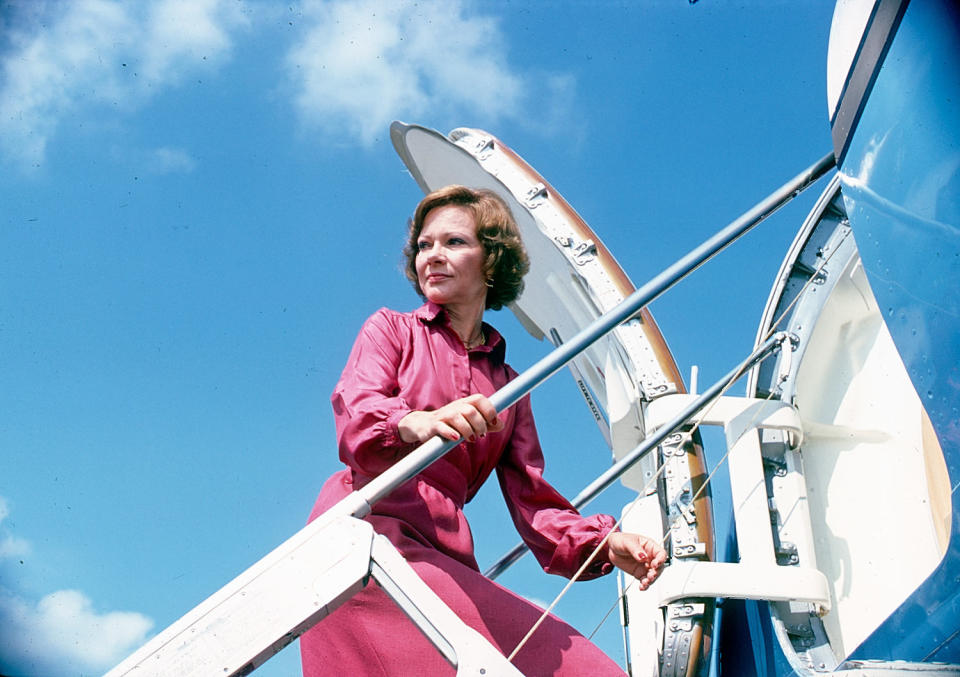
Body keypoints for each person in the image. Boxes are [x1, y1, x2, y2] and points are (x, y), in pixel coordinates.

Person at [300, 185, 666, 676]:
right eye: (424, 245)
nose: (432, 256)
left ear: (492, 261)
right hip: (368, 536)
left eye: (453, 243)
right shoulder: (390, 329)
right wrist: (416, 422)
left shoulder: (509, 387)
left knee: (585, 668)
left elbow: (534, 502)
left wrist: (605, 544)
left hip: (444, 555)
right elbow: (357, 412)